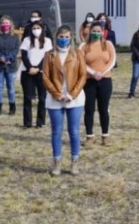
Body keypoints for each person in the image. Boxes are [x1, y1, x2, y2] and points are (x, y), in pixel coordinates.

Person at [42, 26, 87, 176]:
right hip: (56, 99)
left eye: (67, 36)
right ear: (56, 38)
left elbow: (82, 76)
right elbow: (45, 77)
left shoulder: (77, 54)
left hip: (74, 99)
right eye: (61, 36)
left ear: (71, 38)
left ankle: (75, 162)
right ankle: (57, 163)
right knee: (56, 132)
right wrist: (57, 94)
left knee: (74, 131)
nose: (64, 39)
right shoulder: (49, 55)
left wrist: (72, 94)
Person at [81, 21, 117, 146]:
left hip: (105, 80)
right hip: (89, 81)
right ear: (90, 31)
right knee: (89, 109)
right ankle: (89, 136)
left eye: (98, 31)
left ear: (103, 32)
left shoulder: (108, 44)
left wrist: (101, 72)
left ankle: (105, 135)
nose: (96, 33)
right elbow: (81, 62)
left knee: (104, 109)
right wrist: (93, 72)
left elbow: (112, 61)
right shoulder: (84, 46)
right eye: (94, 31)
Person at [20, 20, 52, 128]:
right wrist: (30, 67)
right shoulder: (26, 40)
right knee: (28, 98)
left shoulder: (47, 41)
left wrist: (38, 68)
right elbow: (24, 56)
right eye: (34, 28)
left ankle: (40, 121)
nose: (36, 30)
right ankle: (27, 122)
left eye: (38, 28)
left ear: (42, 29)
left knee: (42, 98)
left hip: (42, 72)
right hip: (27, 71)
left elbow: (47, 56)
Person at [0, 15, 20, 116]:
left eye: (7, 23)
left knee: (10, 87)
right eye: (3, 23)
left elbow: (16, 49)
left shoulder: (15, 36)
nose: (5, 25)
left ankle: (12, 107)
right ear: (0, 25)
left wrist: (9, 58)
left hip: (11, 65)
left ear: (10, 25)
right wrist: (0, 57)